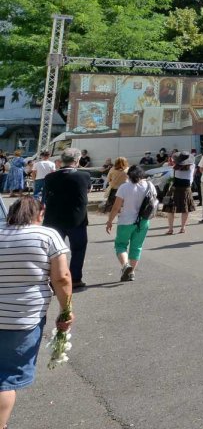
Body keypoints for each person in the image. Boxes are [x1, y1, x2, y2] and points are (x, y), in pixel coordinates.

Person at [0, 195, 74, 428]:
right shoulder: (47, 235)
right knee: (6, 378)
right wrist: (66, 310)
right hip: (21, 319)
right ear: (40, 214)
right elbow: (62, 278)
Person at [41, 147, 91, 290]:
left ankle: (52, 279)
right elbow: (87, 190)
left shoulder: (49, 177)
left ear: (61, 160)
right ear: (77, 160)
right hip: (77, 218)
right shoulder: (84, 175)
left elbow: (46, 196)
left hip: (53, 218)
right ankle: (75, 278)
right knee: (78, 249)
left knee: (52, 251)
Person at [105, 164, 156, 281]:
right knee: (137, 247)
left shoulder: (124, 187)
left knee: (120, 245)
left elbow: (116, 207)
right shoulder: (150, 185)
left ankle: (125, 265)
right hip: (143, 221)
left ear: (129, 175)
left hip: (126, 221)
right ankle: (131, 272)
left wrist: (109, 221)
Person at [163, 152, 195, 235]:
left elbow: (171, 178)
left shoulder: (174, 169)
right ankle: (183, 228)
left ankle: (170, 229)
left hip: (174, 189)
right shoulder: (192, 167)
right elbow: (191, 178)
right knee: (185, 209)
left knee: (170, 210)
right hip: (186, 189)